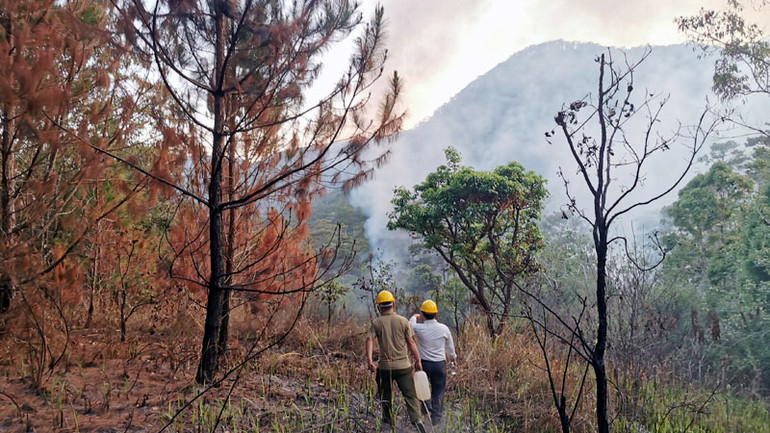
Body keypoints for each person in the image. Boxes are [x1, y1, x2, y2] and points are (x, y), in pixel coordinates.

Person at [366, 290, 428, 433]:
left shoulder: (376, 323)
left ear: (379, 307)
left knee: (386, 395)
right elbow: (411, 343)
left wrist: (369, 360)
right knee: (410, 395)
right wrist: (418, 360)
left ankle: (388, 421)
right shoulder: (403, 321)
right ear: (393, 304)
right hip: (403, 367)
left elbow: (369, 339)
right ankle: (417, 419)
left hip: (384, 368)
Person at [409, 299, 458, 425]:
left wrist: (414, 317)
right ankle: (436, 418)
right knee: (439, 390)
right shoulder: (444, 329)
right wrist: (453, 359)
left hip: (424, 364)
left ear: (422, 314)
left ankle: (425, 409)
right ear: (436, 314)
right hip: (439, 365)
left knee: (422, 389)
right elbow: (451, 349)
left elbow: (409, 326)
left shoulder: (419, 328)